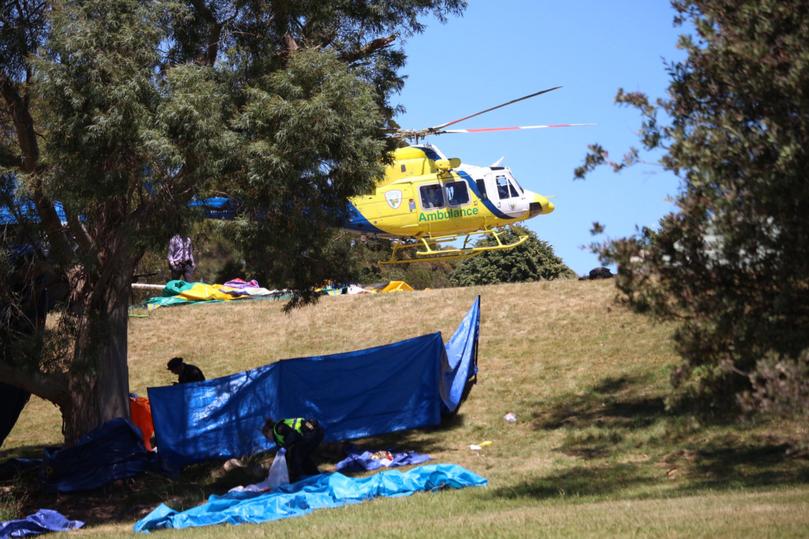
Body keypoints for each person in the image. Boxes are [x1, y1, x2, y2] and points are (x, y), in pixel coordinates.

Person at [262, 417, 324, 482]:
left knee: (297, 455)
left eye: (266, 436)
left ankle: (297, 478)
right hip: (313, 433)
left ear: (269, 431)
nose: (268, 439)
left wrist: (284, 447)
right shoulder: (278, 437)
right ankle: (314, 475)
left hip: (312, 432)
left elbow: (292, 435)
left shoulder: (279, 428)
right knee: (302, 457)